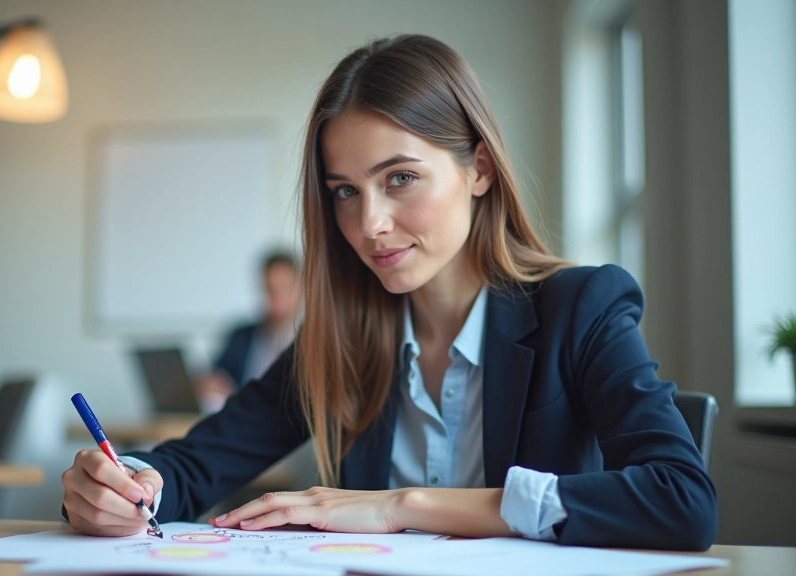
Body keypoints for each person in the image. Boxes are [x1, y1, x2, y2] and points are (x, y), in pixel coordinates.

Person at [60, 34, 717, 551]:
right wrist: (124, 487)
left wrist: (399, 505)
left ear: (479, 169)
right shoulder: (341, 341)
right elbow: (195, 466)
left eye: (399, 177)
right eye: (345, 190)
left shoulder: (580, 309)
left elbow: (681, 501)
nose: (368, 224)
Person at [194, 250, 301, 413]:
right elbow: (215, 378)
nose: (275, 299)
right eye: (269, 290)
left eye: (282, 289)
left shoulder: (310, 341)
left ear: (300, 288)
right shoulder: (242, 336)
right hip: (241, 421)